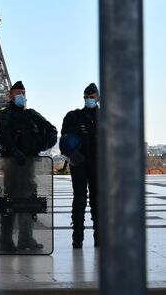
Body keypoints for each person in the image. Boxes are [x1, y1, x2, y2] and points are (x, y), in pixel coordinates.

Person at [0, 80, 58, 251]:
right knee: (10, 202)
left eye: (23, 92)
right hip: (12, 165)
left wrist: (41, 146)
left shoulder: (32, 114)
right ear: (10, 95)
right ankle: (6, 241)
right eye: (17, 93)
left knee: (29, 202)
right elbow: (3, 134)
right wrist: (15, 151)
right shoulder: (4, 114)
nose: (21, 96)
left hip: (29, 164)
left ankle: (26, 239)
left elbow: (52, 130)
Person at [61, 82, 99, 249]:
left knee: (97, 199)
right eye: (86, 97)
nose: (89, 99)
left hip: (97, 162)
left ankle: (99, 235)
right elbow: (65, 140)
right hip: (80, 162)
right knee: (80, 198)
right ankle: (77, 236)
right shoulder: (74, 117)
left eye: (92, 97)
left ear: (98, 98)